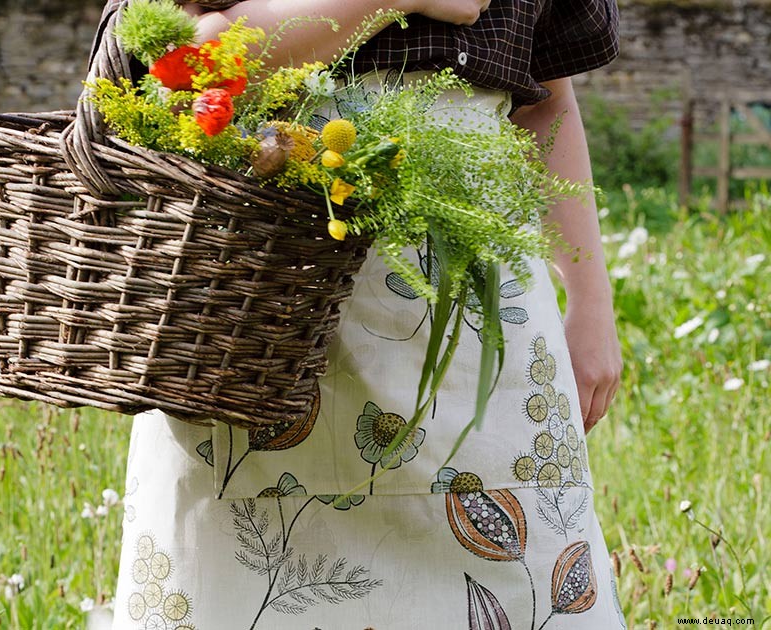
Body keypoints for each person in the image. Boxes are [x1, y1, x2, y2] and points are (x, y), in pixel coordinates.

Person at [110, 1, 626, 628]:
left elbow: (544, 100)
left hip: (482, 287)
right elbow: (190, 60)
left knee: (521, 564)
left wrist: (591, 302)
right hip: (268, 272)